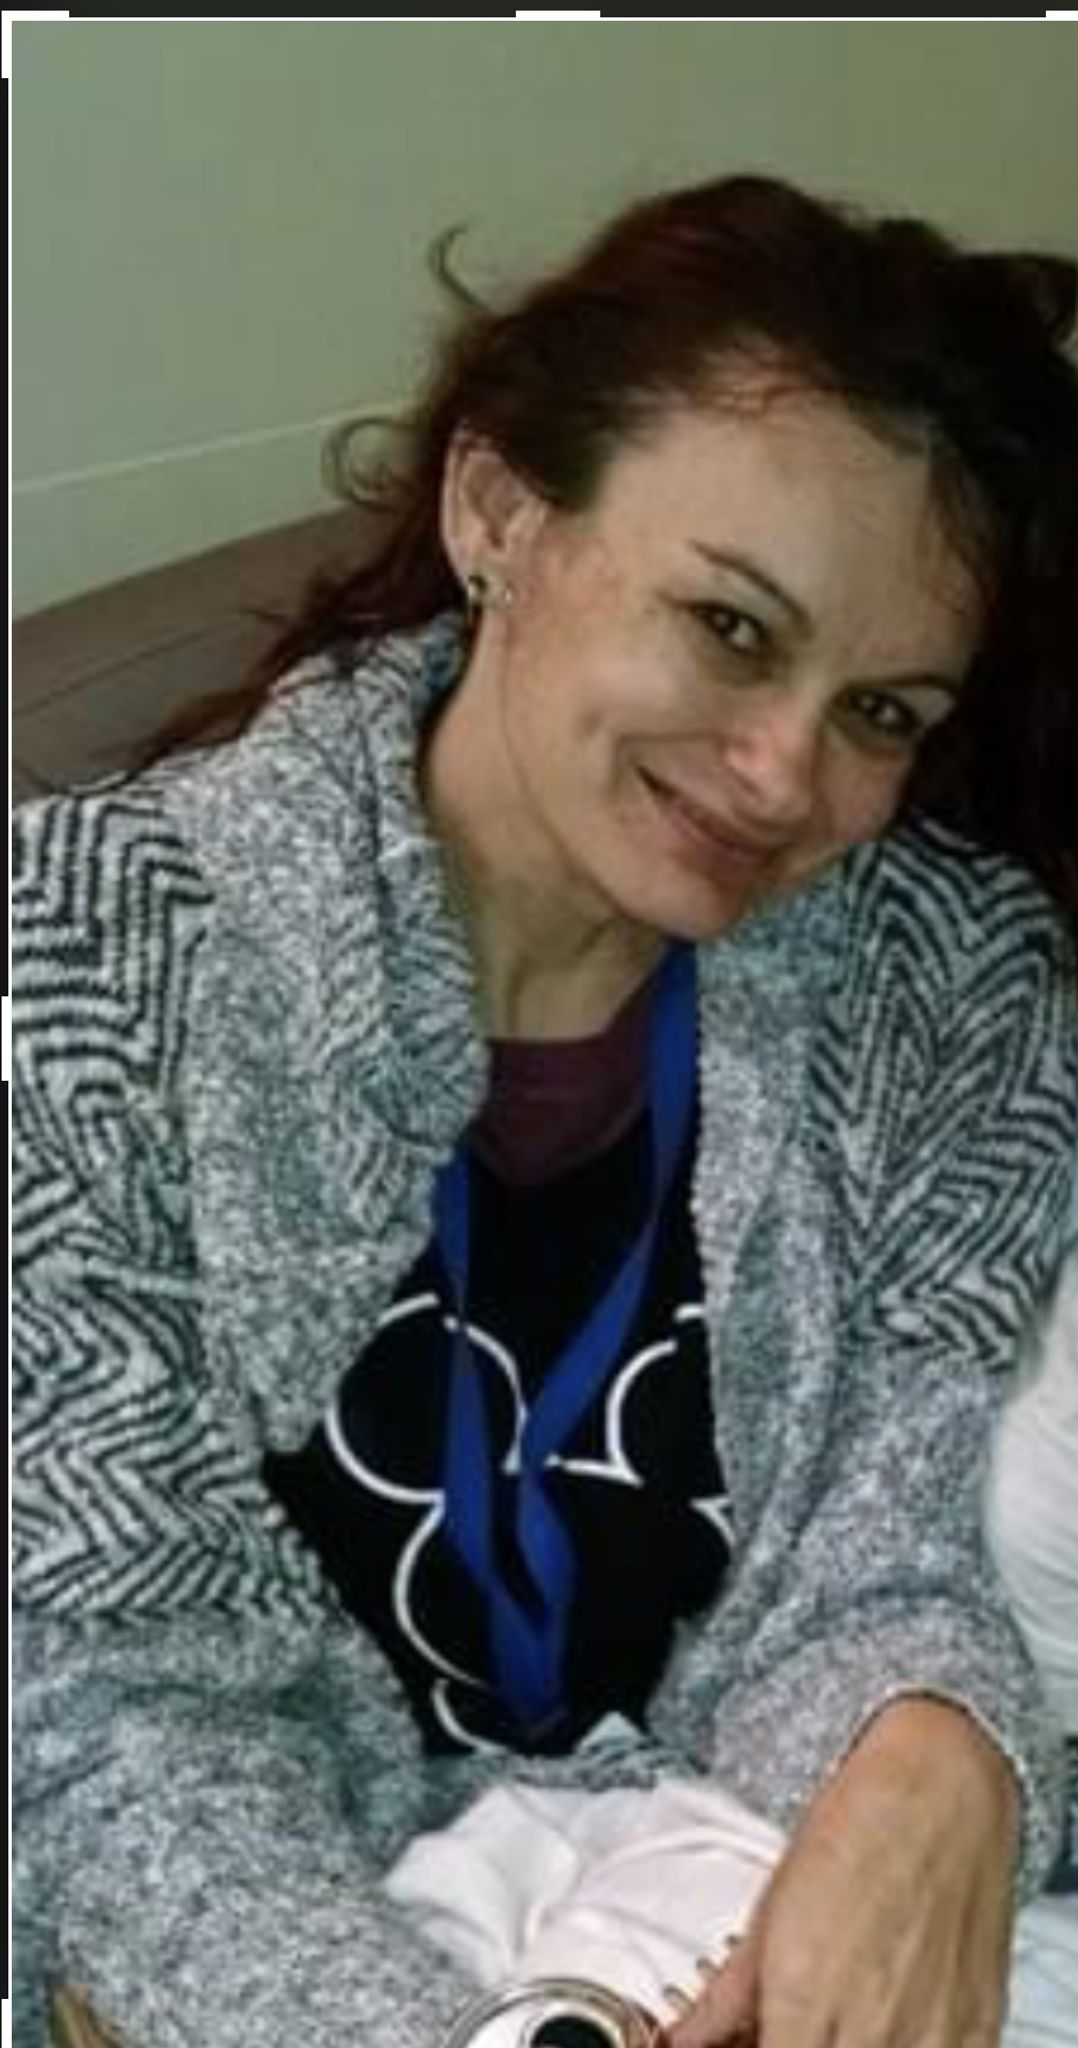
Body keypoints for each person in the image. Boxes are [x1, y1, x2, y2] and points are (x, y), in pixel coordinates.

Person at [12, 172, 1078, 2048]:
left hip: (705, 1917)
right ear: (497, 512)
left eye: (881, 714)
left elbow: (886, 1556)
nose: (782, 777)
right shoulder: (80, 970)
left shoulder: (946, 984)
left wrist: (935, 1745)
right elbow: (107, 1726)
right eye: (731, 627)